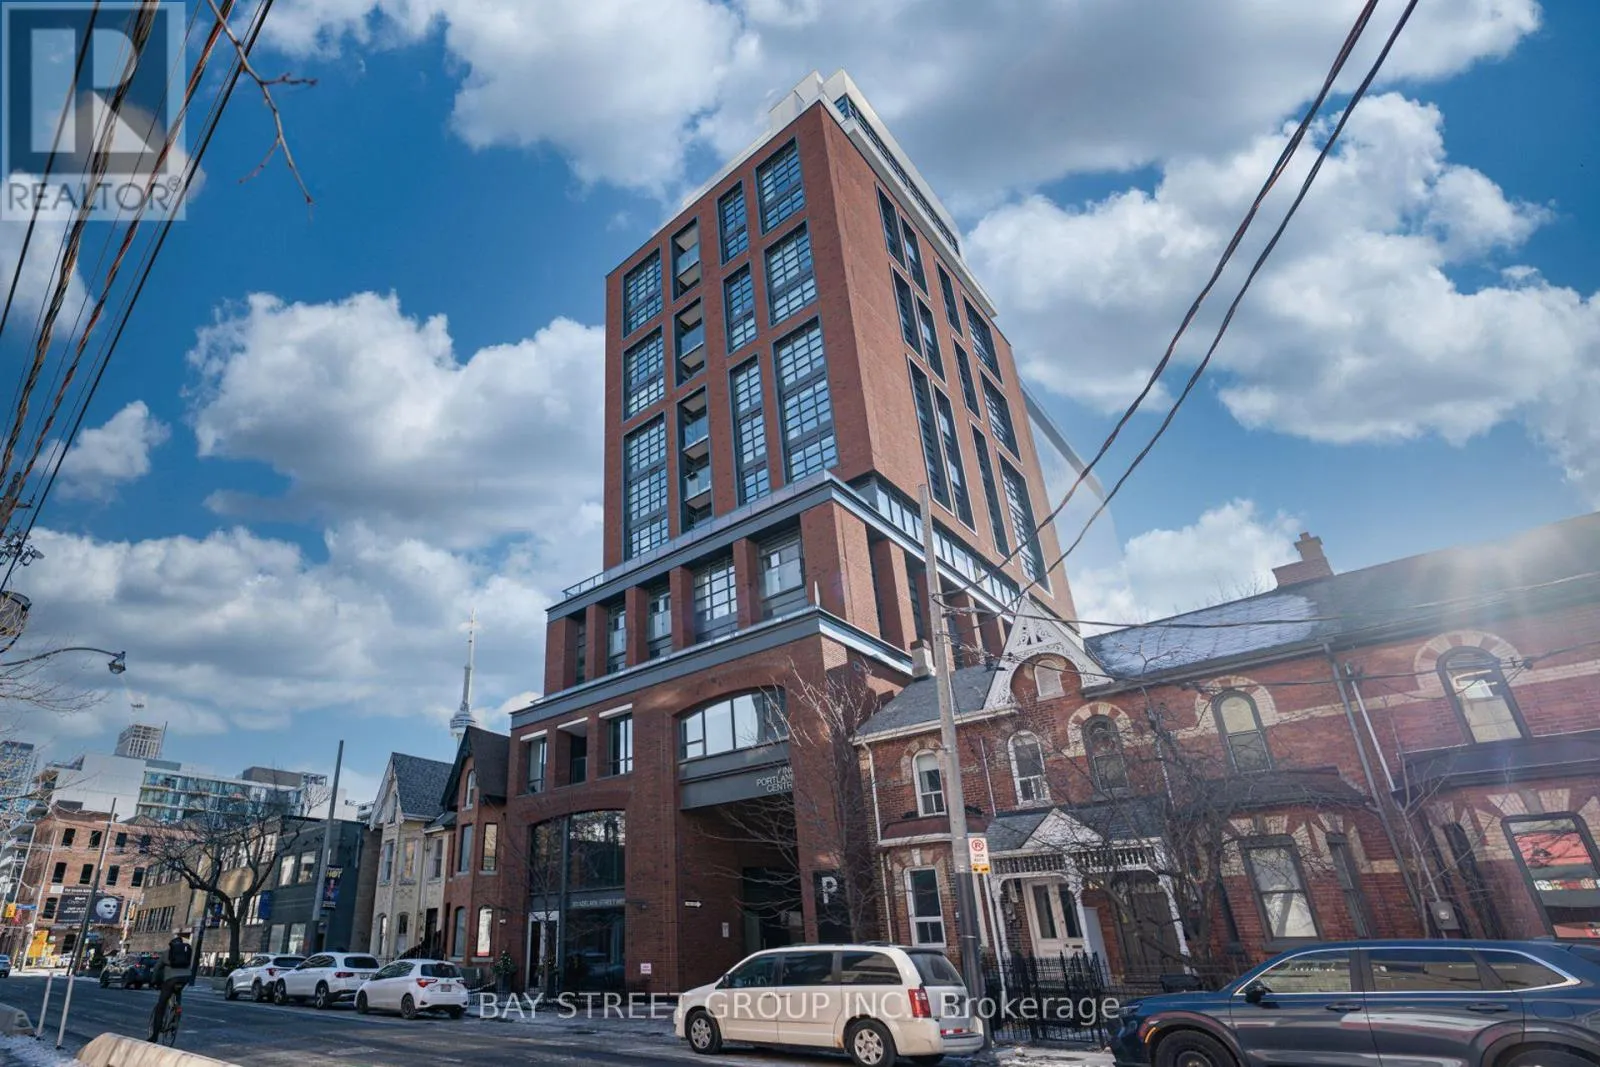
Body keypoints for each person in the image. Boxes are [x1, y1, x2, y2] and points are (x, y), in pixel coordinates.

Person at [147, 931, 194, 1042]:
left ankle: (154, 1036)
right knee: (178, 994)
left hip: (171, 979)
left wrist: (153, 981)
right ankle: (176, 1015)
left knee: (161, 1006)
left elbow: (157, 968)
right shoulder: (186, 952)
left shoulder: (167, 953)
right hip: (185, 978)